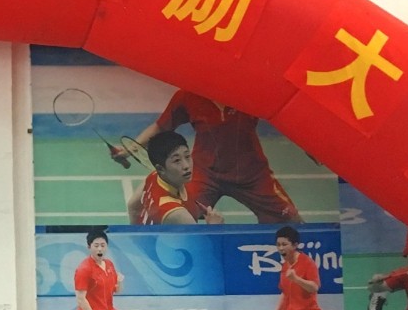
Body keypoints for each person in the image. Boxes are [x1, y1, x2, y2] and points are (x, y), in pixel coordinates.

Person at [126, 89, 301, 223]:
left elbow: (288, 115)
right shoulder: (188, 96)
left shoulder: (248, 91)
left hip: (252, 175)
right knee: (179, 215)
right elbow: (161, 126)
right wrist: (130, 149)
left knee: (291, 219)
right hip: (205, 174)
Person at [130, 131, 225, 225]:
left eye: (187, 156)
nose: (186, 166)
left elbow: (133, 207)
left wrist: (136, 233)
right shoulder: (176, 213)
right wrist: (214, 226)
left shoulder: (154, 176)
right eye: (177, 160)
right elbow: (198, 236)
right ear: (160, 168)